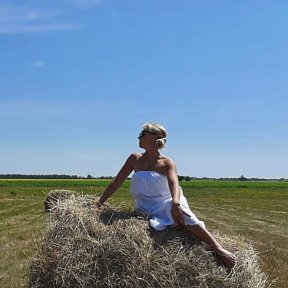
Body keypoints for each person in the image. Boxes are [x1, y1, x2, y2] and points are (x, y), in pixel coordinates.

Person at [97, 123, 236, 269]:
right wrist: (100, 202)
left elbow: (174, 184)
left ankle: (217, 247)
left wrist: (176, 203)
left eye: (142, 133)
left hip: (166, 201)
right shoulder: (134, 158)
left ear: (154, 137)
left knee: (183, 214)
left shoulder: (167, 163)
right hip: (144, 206)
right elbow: (116, 182)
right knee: (173, 220)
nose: (139, 136)